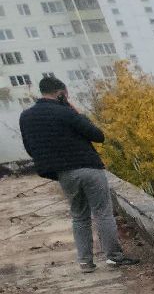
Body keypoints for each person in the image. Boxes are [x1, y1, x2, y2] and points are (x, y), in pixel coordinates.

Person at [18, 77, 137, 273]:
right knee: (102, 213)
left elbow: (31, 148)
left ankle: (85, 262)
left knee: (79, 216)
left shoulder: (26, 116)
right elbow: (98, 135)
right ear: (61, 93)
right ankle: (115, 257)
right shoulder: (66, 112)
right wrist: (76, 111)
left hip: (64, 173)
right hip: (89, 169)